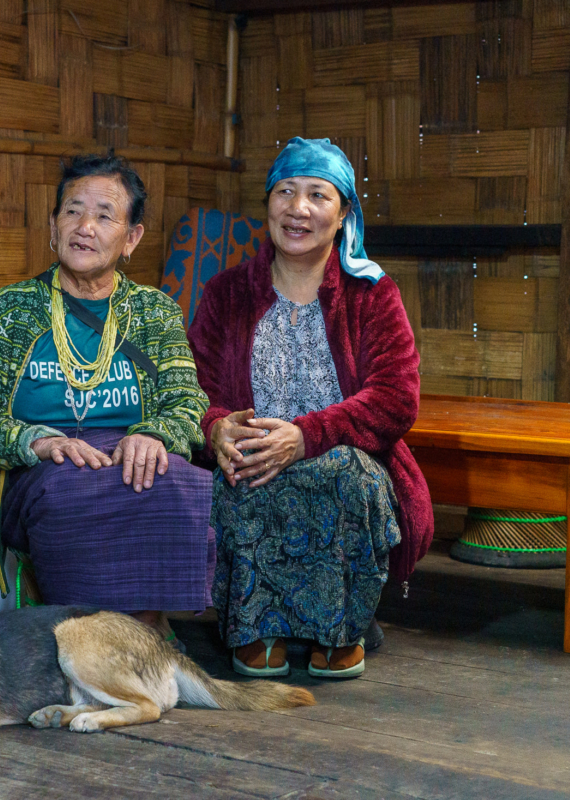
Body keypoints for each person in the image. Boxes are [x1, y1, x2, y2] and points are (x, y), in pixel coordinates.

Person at [187, 137, 433, 678]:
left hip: (343, 459)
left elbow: (396, 398)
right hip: (253, 460)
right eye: (285, 192)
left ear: (344, 211)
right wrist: (216, 427)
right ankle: (257, 626)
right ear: (268, 205)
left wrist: (305, 436)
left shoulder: (371, 294)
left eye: (317, 195)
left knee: (347, 475)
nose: (298, 209)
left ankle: (341, 627)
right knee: (246, 471)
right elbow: (192, 386)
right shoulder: (227, 293)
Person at [0, 154, 213, 645]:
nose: (85, 226)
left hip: (129, 451)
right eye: (72, 211)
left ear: (131, 237)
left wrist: (154, 434)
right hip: (41, 466)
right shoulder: (9, 310)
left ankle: (146, 625)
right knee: (70, 490)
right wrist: (36, 441)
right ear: (53, 225)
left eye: (105, 215)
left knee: (179, 480)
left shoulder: (153, 313)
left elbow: (185, 398)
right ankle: (86, 635)